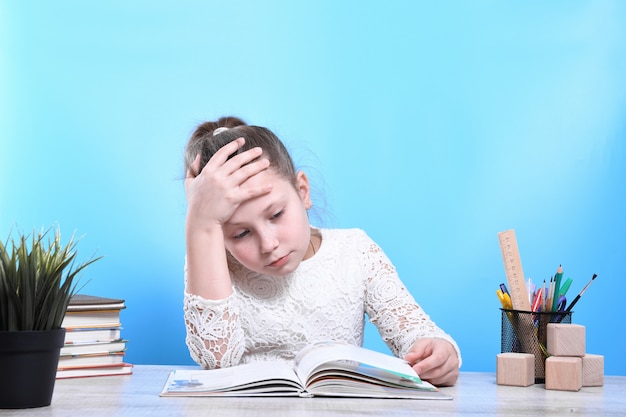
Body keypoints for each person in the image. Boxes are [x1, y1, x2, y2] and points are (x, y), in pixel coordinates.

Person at [182, 116, 461, 386]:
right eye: (241, 233)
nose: (268, 244)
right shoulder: (212, 264)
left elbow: (416, 332)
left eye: (277, 214)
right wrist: (200, 223)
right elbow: (215, 359)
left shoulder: (354, 251)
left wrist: (437, 353)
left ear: (302, 190)